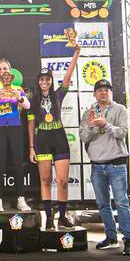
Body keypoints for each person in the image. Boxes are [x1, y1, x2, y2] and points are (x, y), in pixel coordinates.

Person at [79, 79, 130, 255]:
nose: (104, 92)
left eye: (107, 90)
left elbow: (123, 132)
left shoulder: (120, 109)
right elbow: (84, 138)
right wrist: (91, 126)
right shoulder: (89, 112)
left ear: (111, 93)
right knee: (103, 204)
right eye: (100, 90)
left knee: (121, 202)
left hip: (116, 163)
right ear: (94, 94)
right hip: (97, 165)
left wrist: (106, 125)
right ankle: (111, 238)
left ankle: (128, 240)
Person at [27, 46, 81, 230]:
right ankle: (49, 218)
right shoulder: (32, 100)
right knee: (45, 181)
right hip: (42, 140)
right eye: (42, 79)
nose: (44, 82)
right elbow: (31, 125)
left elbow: (68, 75)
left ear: (51, 80)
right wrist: (31, 147)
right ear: (38, 81)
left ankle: (62, 218)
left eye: (47, 79)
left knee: (63, 181)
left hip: (59, 139)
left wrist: (76, 54)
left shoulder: (59, 94)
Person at [0, 59, 32, 212]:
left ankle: (21, 199)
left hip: (15, 128)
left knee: (18, 163)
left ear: (10, 72)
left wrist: (19, 97)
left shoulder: (17, 88)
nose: (2, 71)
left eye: (5, 68)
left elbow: (27, 105)